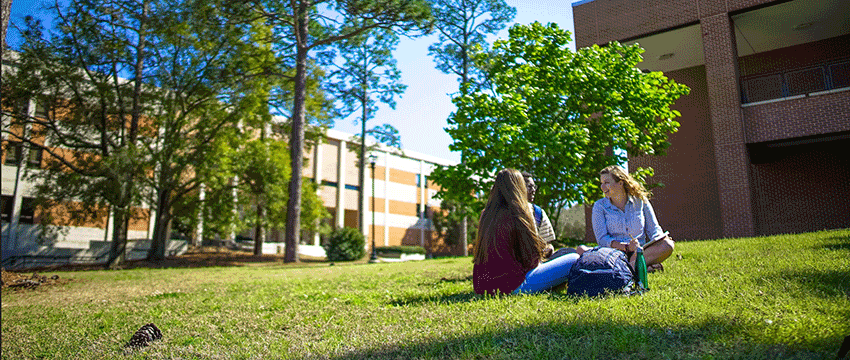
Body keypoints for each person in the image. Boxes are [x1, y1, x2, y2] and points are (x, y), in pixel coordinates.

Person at [473, 169, 580, 295]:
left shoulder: (486, 215)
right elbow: (532, 260)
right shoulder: (519, 214)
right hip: (513, 286)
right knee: (574, 258)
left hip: (483, 287)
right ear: (519, 187)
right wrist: (546, 252)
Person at [589, 165, 674, 271]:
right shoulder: (599, 206)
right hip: (615, 253)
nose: (602, 187)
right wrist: (626, 247)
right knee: (583, 251)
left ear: (620, 183)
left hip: (640, 251)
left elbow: (654, 229)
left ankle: (631, 267)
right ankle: (640, 267)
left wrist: (660, 240)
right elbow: (602, 239)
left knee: (667, 244)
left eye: (606, 183)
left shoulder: (640, 201)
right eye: (601, 183)